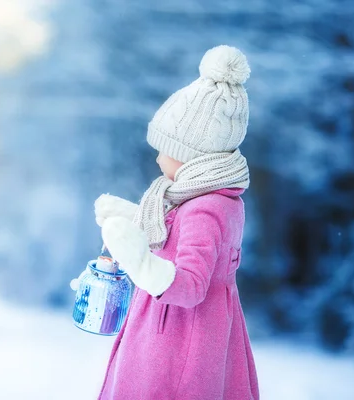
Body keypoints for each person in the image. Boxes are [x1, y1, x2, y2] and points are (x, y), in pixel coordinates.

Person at [93, 45, 260, 399]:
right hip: (187, 335)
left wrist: (137, 258)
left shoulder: (205, 208)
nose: (157, 157)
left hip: (180, 344)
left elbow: (190, 284)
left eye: (165, 147)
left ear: (191, 155)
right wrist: (129, 219)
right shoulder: (209, 199)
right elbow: (174, 235)